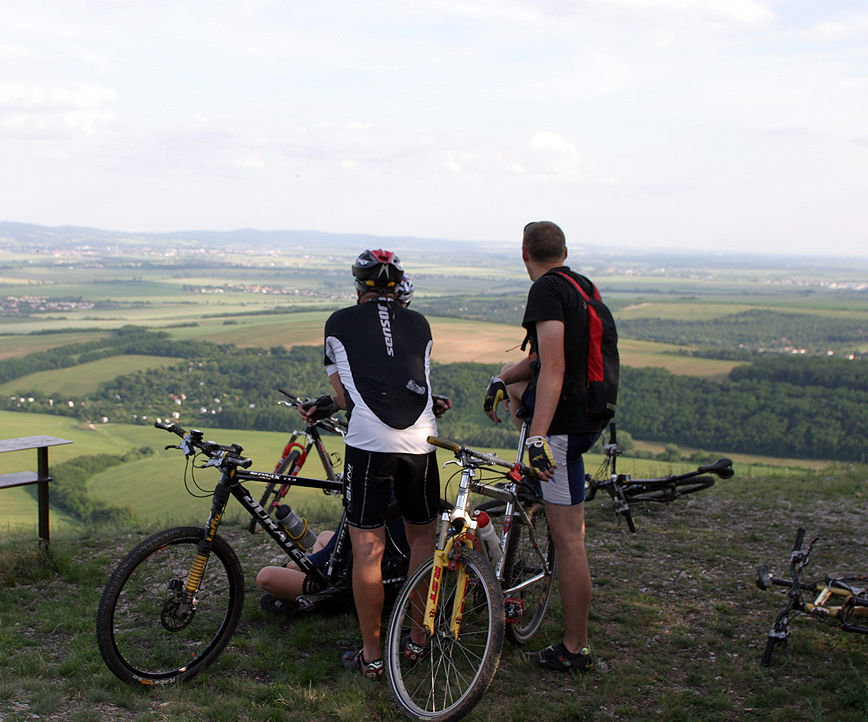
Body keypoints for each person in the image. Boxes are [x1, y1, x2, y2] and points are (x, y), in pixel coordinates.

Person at [299, 250, 446, 680]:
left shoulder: (338, 321)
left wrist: (328, 403)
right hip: (421, 441)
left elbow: (347, 396)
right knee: (423, 542)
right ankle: (418, 641)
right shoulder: (420, 323)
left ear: (358, 286)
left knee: (367, 549)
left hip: (369, 442)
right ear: (398, 287)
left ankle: (372, 657)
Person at [482, 220, 613, 672]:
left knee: (570, 540)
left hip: (561, 426)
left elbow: (553, 368)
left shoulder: (545, 290)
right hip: (588, 415)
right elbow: (538, 361)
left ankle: (575, 649)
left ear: (525, 253)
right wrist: (502, 378)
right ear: (564, 251)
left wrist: (538, 438)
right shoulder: (581, 286)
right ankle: (538, 487)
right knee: (516, 387)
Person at [256, 512, 411, 614]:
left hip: (361, 582)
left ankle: (326, 600)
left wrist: (292, 567)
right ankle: (305, 591)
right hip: (390, 567)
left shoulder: (368, 492)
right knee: (324, 536)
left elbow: (325, 555)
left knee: (266, 576)